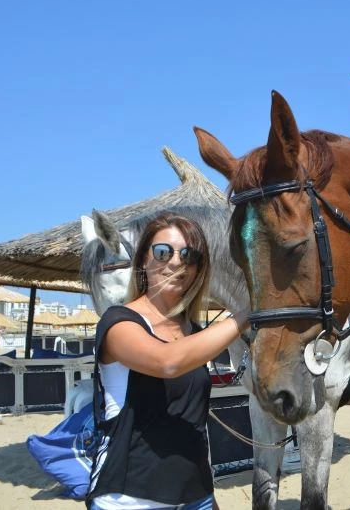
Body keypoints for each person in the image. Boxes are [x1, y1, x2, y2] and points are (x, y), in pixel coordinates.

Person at [86, 212, 249, 509]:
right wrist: (246, 314)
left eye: (189, 255)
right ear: (144, 261)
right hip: (131, 496)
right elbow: (167, 362)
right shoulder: (118, 322)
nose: (176, 262)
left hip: (195, 492)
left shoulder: (193, 333)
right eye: (163, 252)